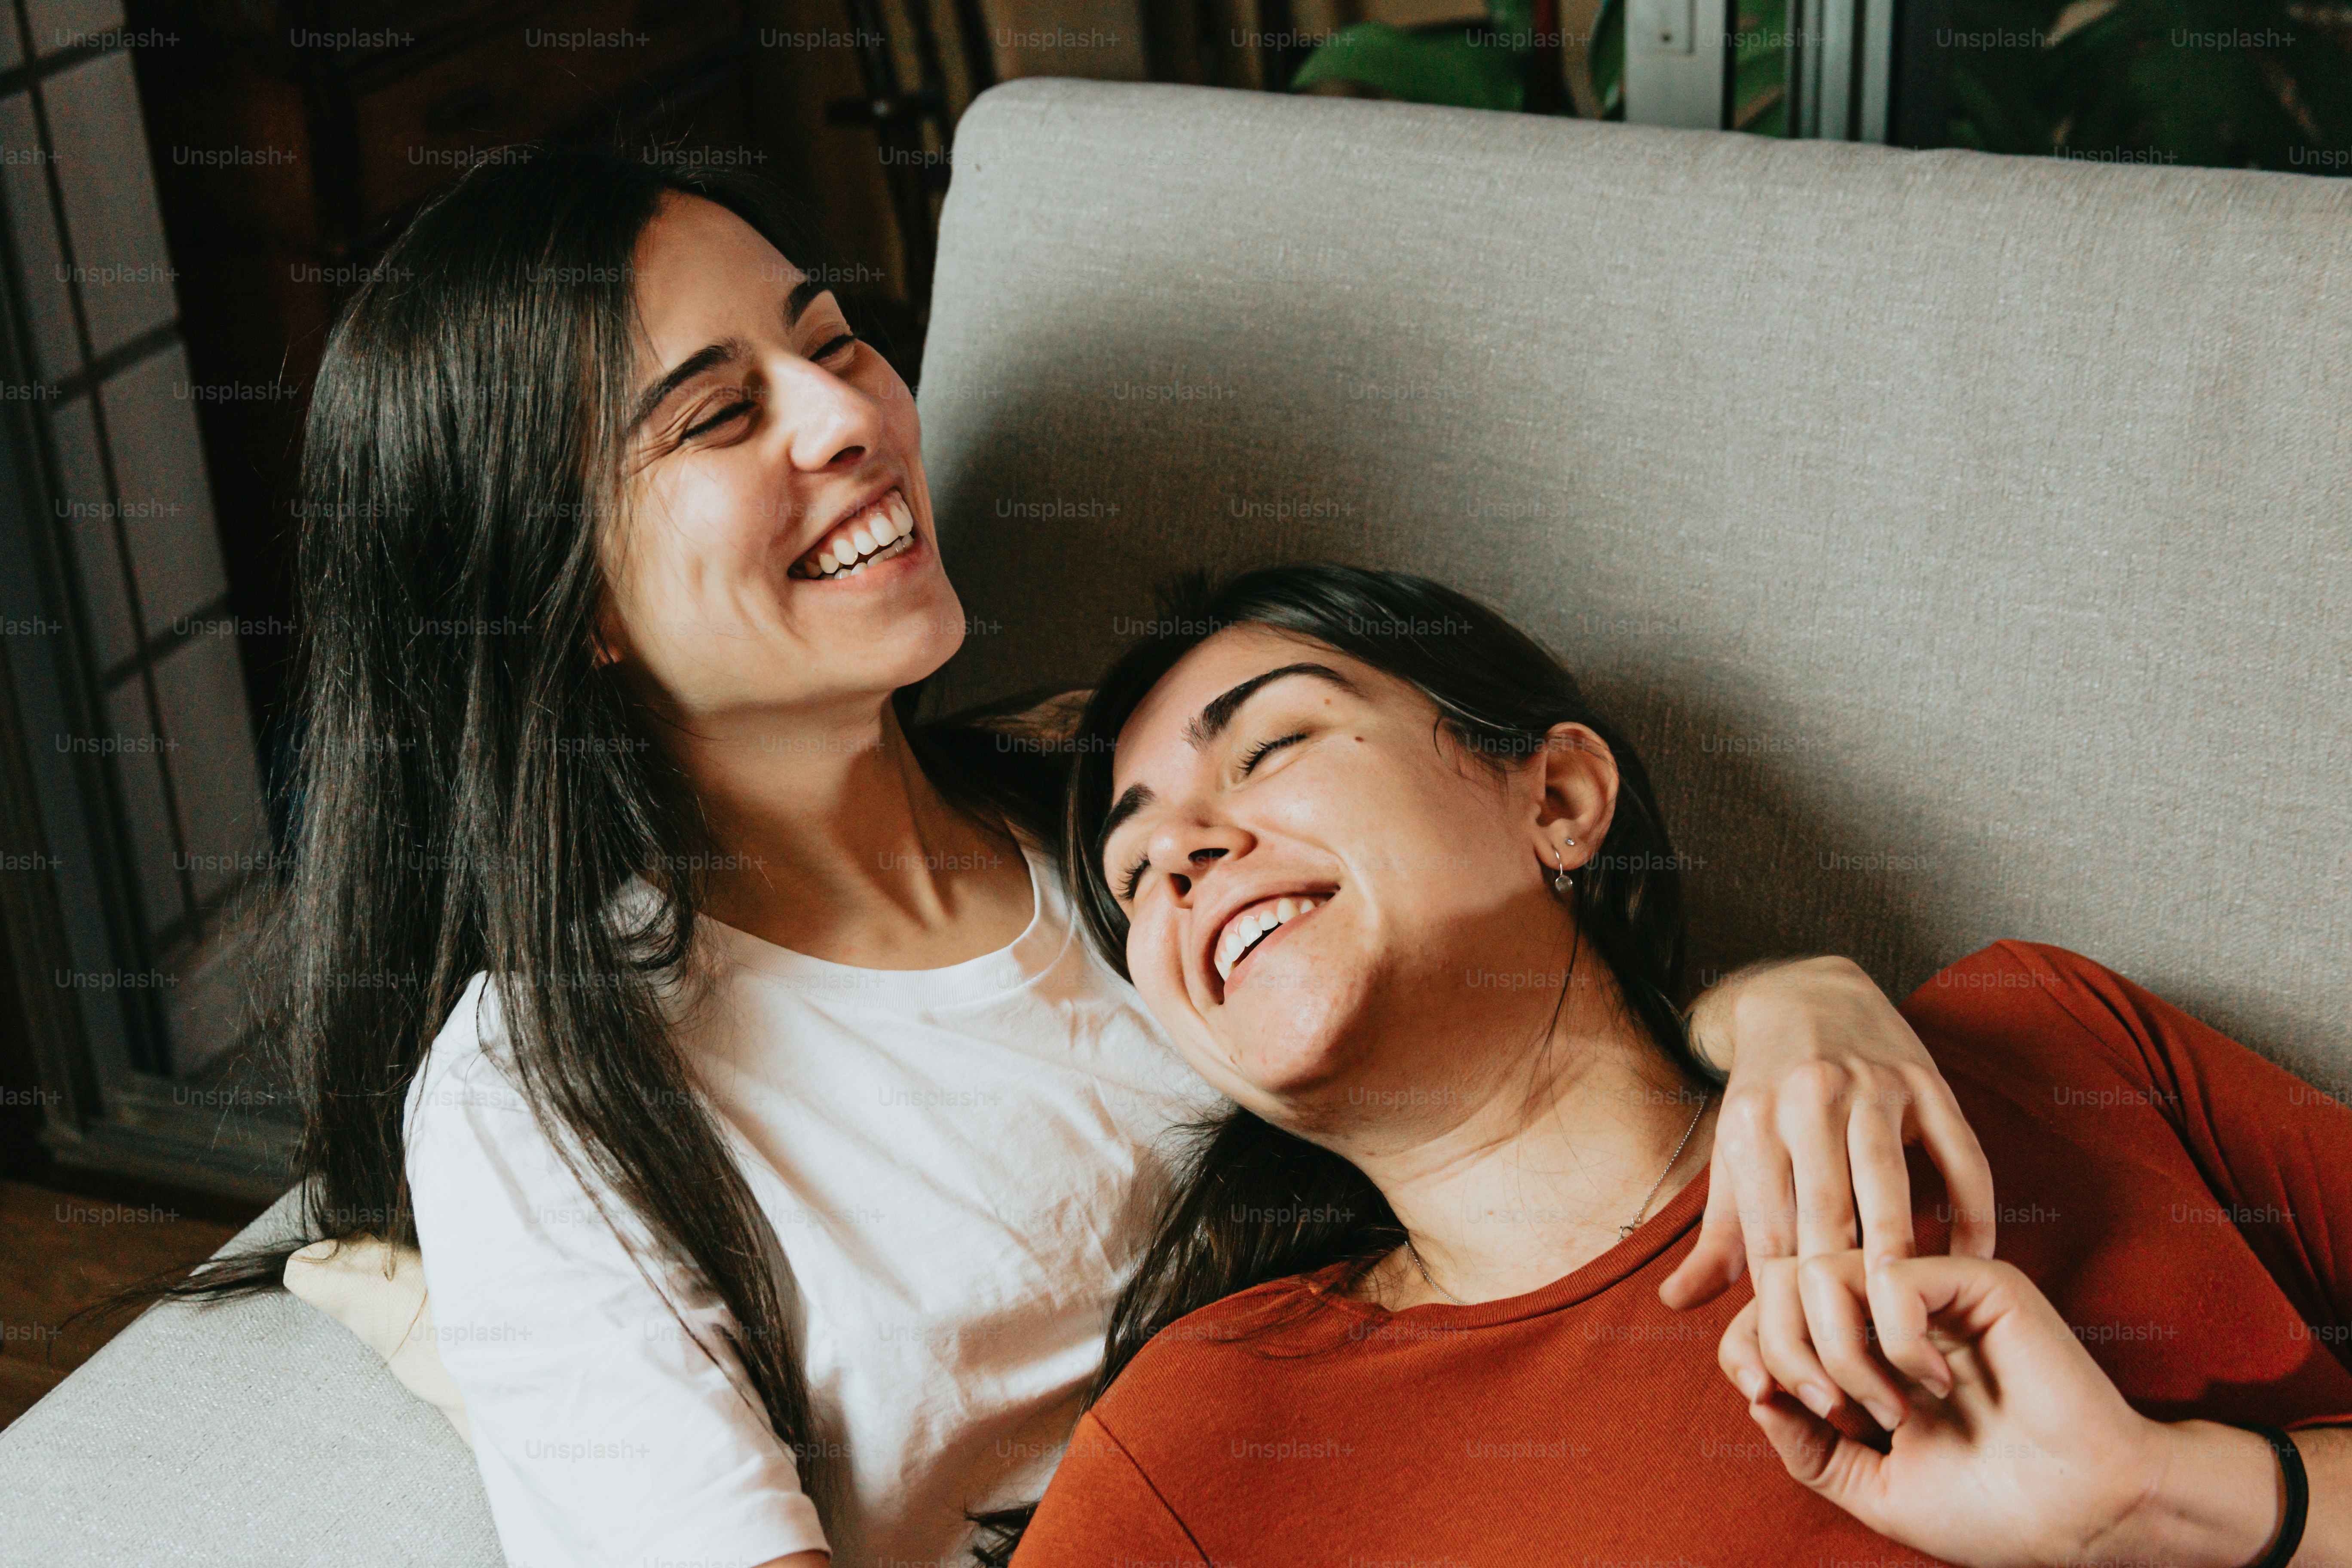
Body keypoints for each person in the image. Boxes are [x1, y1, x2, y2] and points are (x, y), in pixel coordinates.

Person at [191, 150, 2003, 1568]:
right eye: (721, 416)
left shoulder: (1128, 809)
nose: (852, 416)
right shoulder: (551, 1094)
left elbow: (1530, 1014)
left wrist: (1786, 1005)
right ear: (566, 599)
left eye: (833, 340)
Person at [1009, 562, 2352, 1567]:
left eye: (1273, 745)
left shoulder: (2043, 1044)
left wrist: (2169, 1500)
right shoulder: (1206, 1439)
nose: (1179, 854)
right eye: (1132, 874)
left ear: (1559, 799)